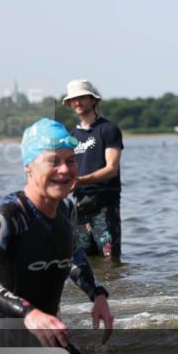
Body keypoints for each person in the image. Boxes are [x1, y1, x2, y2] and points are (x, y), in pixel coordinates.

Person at [0, 118, 114, 348]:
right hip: (2, 348)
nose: (64, 170)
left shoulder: (65, 209)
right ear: (29, 167)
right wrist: (30, 314)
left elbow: (73, 255)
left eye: (71, 161)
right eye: (53, 162)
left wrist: (98, 295)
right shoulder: (9, 214)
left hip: (49, 340)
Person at [63, 79, 124, 260]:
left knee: (110, 258)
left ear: (93, 100)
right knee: (83, 258)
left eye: (81, 97)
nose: (77, 102)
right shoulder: (71, 136)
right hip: (80, 204)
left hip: (105, 203)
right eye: (73, 99)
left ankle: (116, 287)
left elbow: (111, 169)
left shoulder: (108, 129)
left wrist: (82, 180)